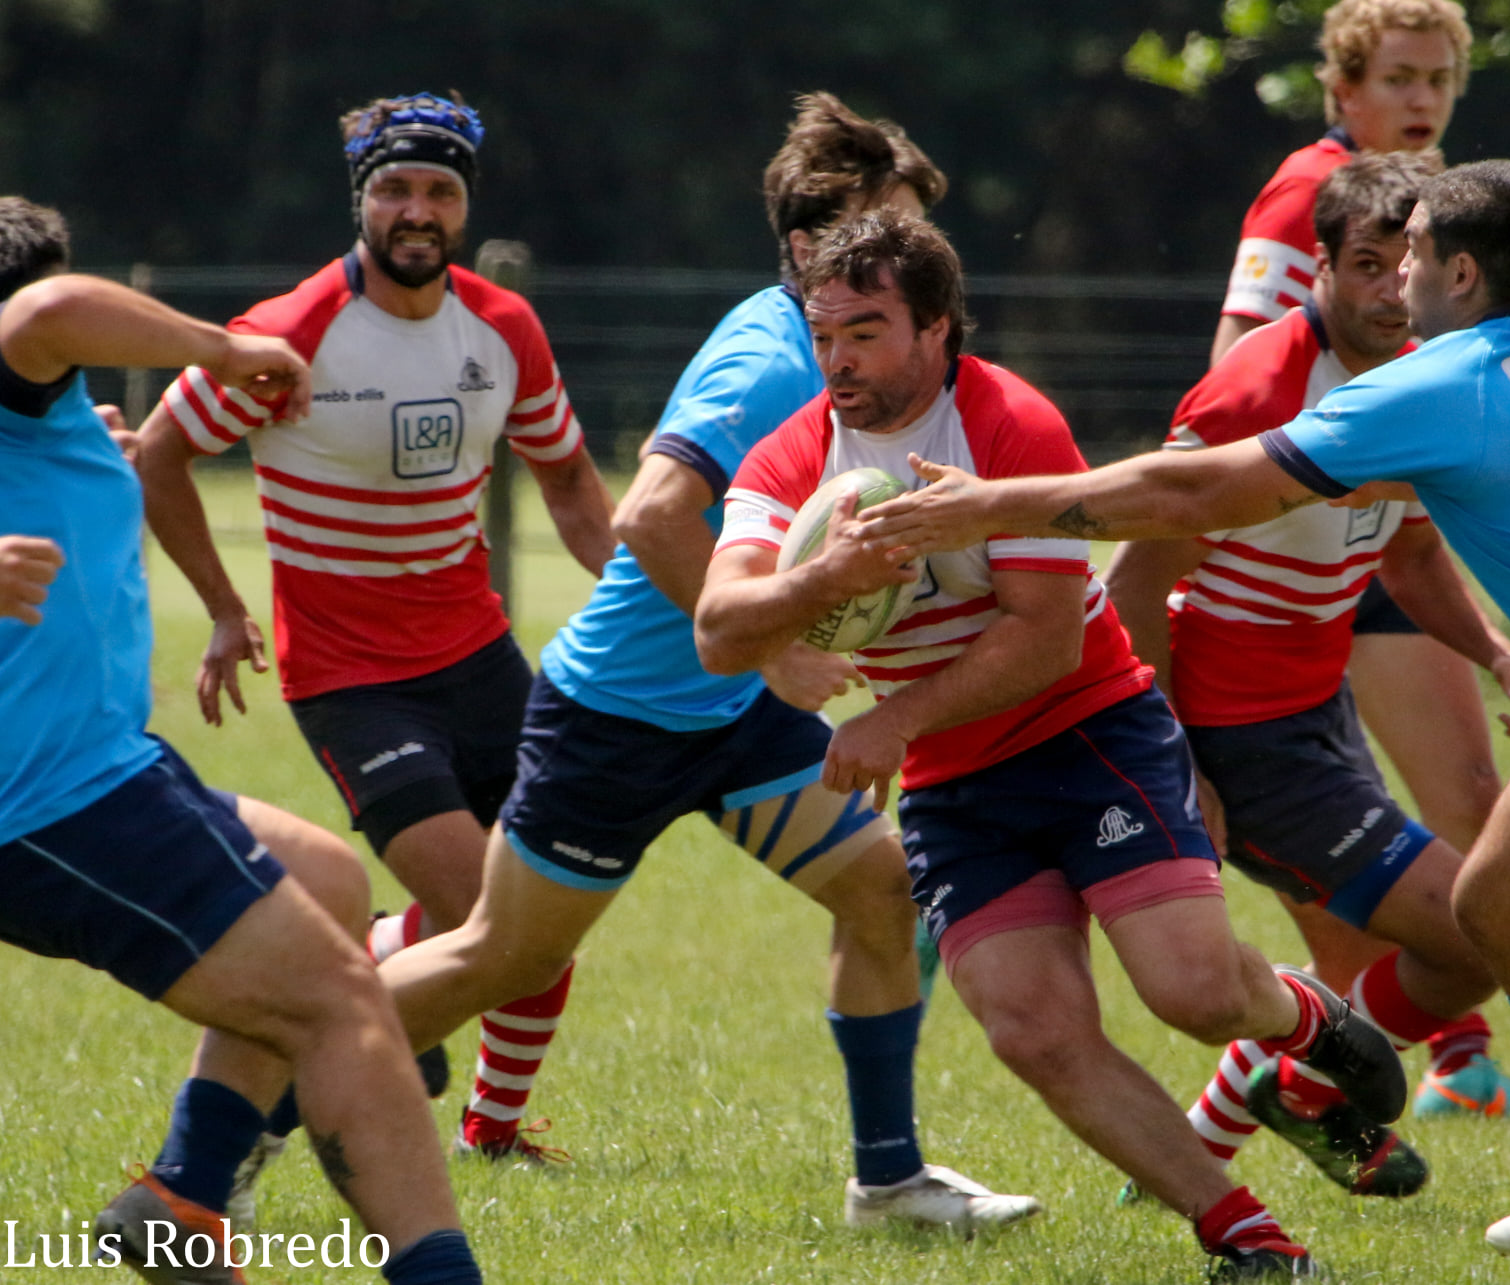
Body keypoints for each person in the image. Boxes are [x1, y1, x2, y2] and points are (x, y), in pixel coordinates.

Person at [859, 158, 1510, 1255]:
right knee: (1500, 907)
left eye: (1413, 254)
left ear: (1462, 270)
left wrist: (986, 506)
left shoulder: (1442, 385)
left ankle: (1300, 1089)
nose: (1398, 276)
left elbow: (1193, 493)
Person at [695, 209, 1408, 1281]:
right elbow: (719, 628)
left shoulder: (1006, 422)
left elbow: (1044, 636)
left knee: (1193, 992)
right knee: (1032, 1030)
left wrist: (890, 718)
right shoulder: (792, 454)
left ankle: (1303, 1015)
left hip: (1087, 735)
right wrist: (825, 581)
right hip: (957, 785)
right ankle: (1250, 1241)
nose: (838, 357)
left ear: (936, 327)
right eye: (825, 331)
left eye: (868, 330)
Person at [372, 93, 1035, 1232]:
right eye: (888, 234)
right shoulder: (773, 363)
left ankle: (888, 1182)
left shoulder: (849, 353)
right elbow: (648, 517)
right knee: (499, 958)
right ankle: (249, 1091)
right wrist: (774, 651)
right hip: (621, 717)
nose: (919, 263)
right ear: (804, 251)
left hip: (731, 719)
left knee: (882, 897)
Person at [0, 196, 483, 1285]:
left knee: (323, 882)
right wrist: (226, 348)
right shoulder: (26, 355)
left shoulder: (51, 417)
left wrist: (92, 456)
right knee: (341, 1001)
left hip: (102, 770)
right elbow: (50, 306)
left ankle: (182, 1194)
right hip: (51, 802)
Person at [135, 92, 616, 1164]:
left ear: (463, 208)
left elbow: (577, 488)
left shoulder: (504, 326)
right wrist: (222, 606)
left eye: (438, 190)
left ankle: (488, 1123)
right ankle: (324, 1027)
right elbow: (160, 456)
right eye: (394, 188)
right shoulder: (289, 332)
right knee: (480, 905)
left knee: (551, 904)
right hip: (351, 680)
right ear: (361, 201)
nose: (416, 209)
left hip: (481, 657)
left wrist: (677, 597)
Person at [1107, 153, 1510, 1204]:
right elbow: (1134, 585)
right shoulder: (1255, 395)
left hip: (1319, 715)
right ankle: (1281, 1094)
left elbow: (1406, 553)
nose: (1382, 291)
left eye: (1399, 265)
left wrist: (1494, 650)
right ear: (1318, 265)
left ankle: (1238, 1113)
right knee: (1474, 928)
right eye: (1362, 263)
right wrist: (1180, 766)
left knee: (1407, 961)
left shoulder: (1410, 382)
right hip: (1241, 739)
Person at [1210, 0, 1510, 1124]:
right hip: (1307, 537)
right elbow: (1238, 374)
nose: (1421, 101)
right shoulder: (1307, 187)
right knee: (1376, 833)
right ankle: (1382, 1059)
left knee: (1449, 808)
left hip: (1379, 536)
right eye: (1398, 78)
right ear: (1342, 93)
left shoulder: (1447, 200)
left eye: (1439, 79)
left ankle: (1427, 1055)